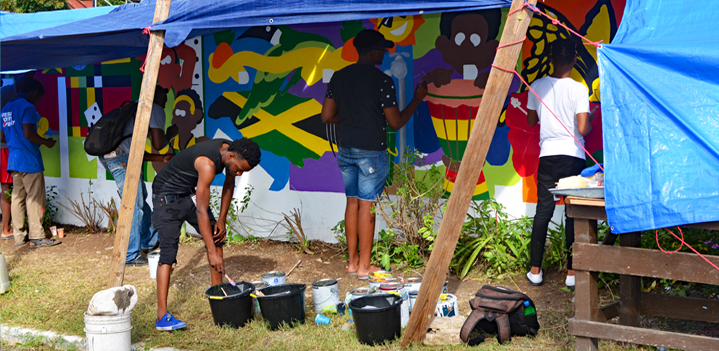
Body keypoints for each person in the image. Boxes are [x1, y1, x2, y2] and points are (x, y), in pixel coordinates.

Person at [321, 29, 427, 279]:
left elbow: (326, 116)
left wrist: (347, 118)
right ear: (372, 52)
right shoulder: (382, 81)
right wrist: (417, 99)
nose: (385, 53)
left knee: (352, 203)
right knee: (367, 207)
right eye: (382, 49)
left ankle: (352, 263)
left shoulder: (339, 77)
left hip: (346, 150)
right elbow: (396, 122)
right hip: (371, 152)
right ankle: (365, 267)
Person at [151, 137, 260, 330]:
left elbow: (229, 185)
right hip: (166, 198)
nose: (240, 173)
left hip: (187, 195)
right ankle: (162, 316)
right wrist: (210, 251)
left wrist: (221, 221)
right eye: (240, 168)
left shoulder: (230, 152)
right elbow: (201, 210)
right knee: (168, 253)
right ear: (231, 156)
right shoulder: (207, 164)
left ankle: (218, 296)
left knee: (216, 236)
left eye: (244, 171)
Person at [525, 39, 596, 289]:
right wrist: (592, 119)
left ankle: (535, 271)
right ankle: (572, 274)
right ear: (574, 60)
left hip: (548, 155)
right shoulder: (579, 89)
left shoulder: (537, 86)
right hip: (573, 156)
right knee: (571, 213)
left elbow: (531, 120)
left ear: (551, 58)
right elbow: (582, 129)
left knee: (543, 211)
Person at [99, 85, 177, 266]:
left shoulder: (135, 108)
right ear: (157, 97)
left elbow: (134, 151)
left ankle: (148, 241)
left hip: (112, 156)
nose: (165, 105)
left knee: (139, 199)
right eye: (165, 100)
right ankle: (130, 255)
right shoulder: (154, 108)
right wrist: (170, 134)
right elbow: (158, 143)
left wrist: (160, 158)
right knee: (133, 204)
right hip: (121, 158)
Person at [0, 79, 59, 248]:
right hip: (29, 159)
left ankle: (19, 236)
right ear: (34, 93)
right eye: (38, 98)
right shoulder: (28, 107)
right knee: (34, 196)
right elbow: (28, 133)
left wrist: (14, 141)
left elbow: (2, 136)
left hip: (13, 160)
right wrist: (45, 142)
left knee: (17, 197)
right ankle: (37, 236)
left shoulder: (6, 108)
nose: (37, 102)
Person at [0, 71, 36, 241]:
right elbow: (23, 83)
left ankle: (13, 230)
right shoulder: (5, 94)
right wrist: (35, 63)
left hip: (7, 149)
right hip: (6, 149)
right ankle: (7, 229)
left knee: (12, 191)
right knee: (9, 190)